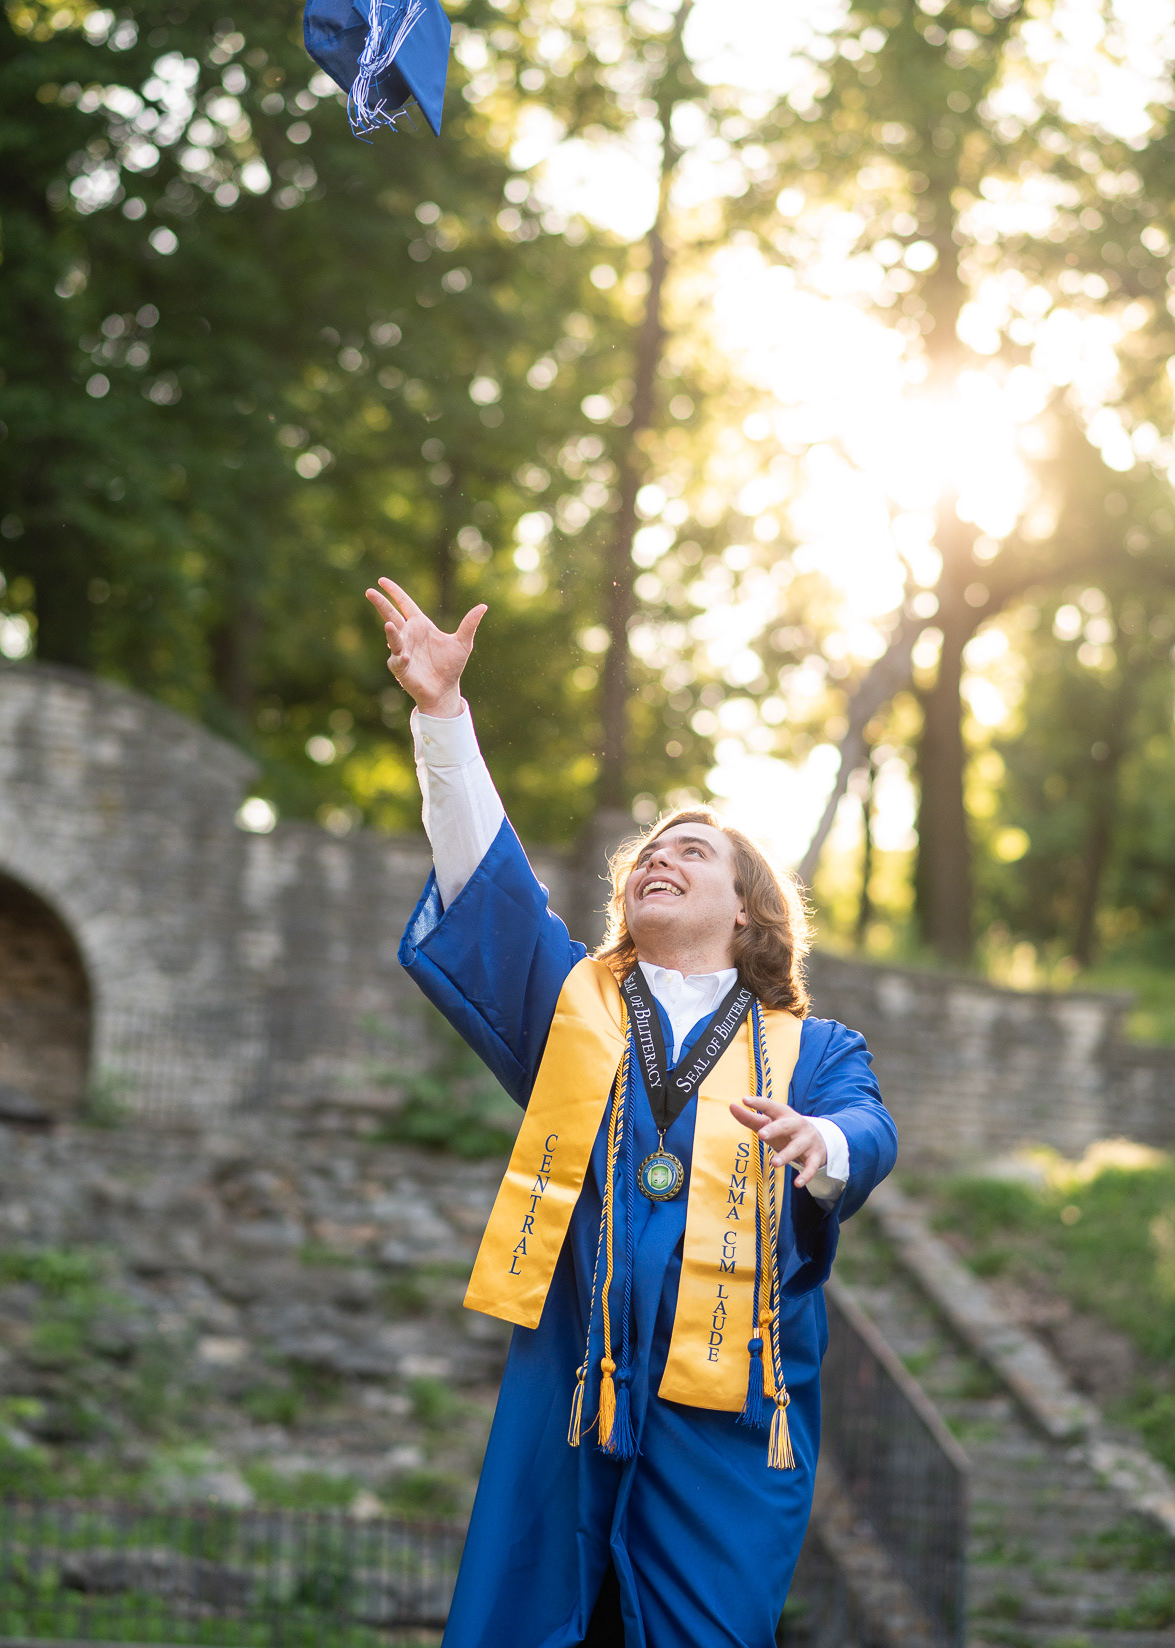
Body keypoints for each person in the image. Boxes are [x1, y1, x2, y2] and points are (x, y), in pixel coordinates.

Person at [365, 577, 898, 1648]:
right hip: (573, 1384)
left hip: (727, 1416)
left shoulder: (812, 1050)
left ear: (746, 911)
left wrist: (823, 1142)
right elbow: (490, 890)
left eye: (692, 850)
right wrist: (443, 717)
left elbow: (868, 1127)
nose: (660, 855)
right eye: (651, 849)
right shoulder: (576, 1010)